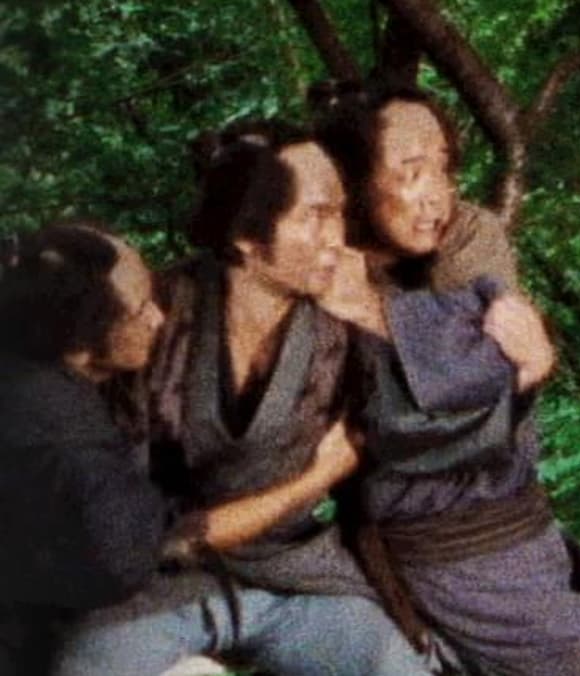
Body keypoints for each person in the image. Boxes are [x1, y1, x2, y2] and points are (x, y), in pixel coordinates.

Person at [52, 122, 432, 676]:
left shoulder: (354, 311)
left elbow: (434, 421)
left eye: (340, 212)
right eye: (315, 215)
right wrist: (314, 478)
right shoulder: (155, 316)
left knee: (393, 667)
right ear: (247, 238)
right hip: (160, 583)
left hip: (297, 576)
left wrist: (375, 317)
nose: (338, 237)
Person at [315, 81, 580, 675]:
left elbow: (483, 367)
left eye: (445, 168)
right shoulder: (316, 264)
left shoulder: (467, 231)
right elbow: (385, 429)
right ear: (351, 184)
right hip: (403, 550)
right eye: (411, 172)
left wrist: (374, 313)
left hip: (508, 541)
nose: (438, 193)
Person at [0, 224, 173, 675]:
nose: (158, 319)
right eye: (141, 309)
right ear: (82, 334)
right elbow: (123, 563)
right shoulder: (72, 437)